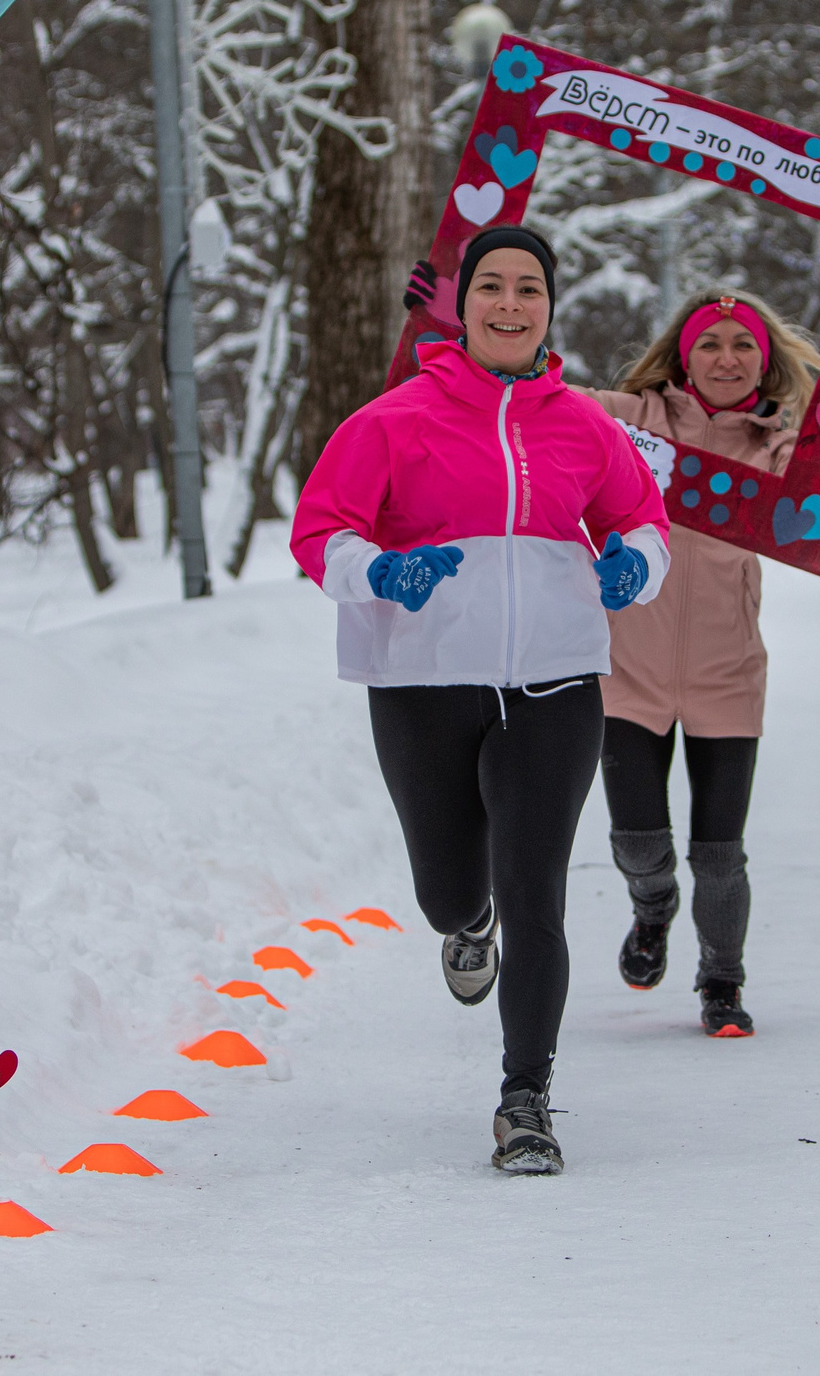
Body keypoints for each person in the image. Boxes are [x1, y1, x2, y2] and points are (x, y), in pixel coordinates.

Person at [291, 226, 671, 1175]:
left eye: (529, 288)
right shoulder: (392, 419)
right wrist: (381, 570)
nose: (510, 303)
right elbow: (318, 532)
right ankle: (467, 923)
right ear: (462, 307)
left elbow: (641, 517)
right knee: (451, 888)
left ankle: (526, 1098)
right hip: (424, 681)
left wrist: (637, 562)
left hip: (556, 680)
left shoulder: (584, 425)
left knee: (535, 887)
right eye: (492, 287)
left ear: (551, 306)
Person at [576, 288, 820, 1038]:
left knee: (720, 852)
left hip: (728, 672)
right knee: (638, 841)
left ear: (765, 359)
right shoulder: (632, 419)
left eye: (742, 344)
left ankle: (722, 982)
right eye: (710, 342)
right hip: (626, 668)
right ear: (682, 353)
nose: (726, 357)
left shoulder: (777, 442)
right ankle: (652, 907)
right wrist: (448, 326)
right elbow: (532, 386)